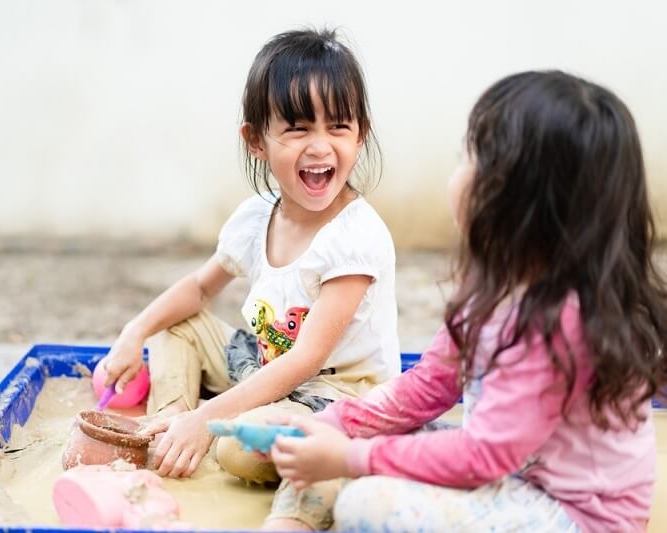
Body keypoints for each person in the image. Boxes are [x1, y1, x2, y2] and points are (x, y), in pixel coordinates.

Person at [269, 70, 667, 532]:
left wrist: (352, 457)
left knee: (366, 501)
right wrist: (335, 424)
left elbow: (482, 455)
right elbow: (429, 386)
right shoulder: (494, 285)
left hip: (577, 515)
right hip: (511, 474)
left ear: (513, 197)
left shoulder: (559, 319)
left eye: (467, 156)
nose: (456, 170)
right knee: (371, 441)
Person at [102, 27, 399, 527]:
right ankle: (169, 422)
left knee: (237, 449)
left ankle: (311, 481)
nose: (321, 146)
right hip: (265, 367)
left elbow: (307, 359)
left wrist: (210, 419)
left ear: (360, 134)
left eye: (338, 127)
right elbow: (199, 288)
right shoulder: (256, 217)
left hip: (338, 398)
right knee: (176, 328)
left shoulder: (355, 238)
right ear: (257, 140)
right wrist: (135, 333)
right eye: (298, 128)